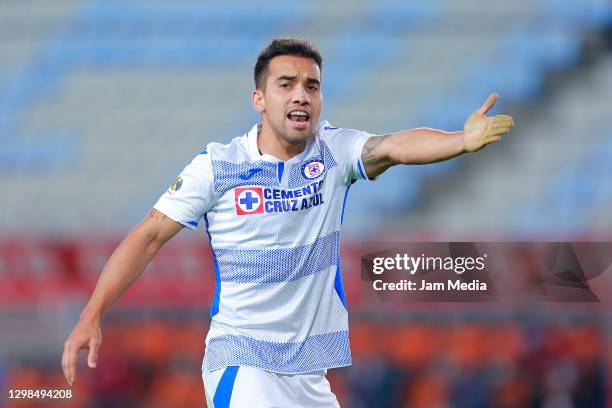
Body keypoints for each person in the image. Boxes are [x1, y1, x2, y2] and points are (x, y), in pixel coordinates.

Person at [62, 38, 514, 407]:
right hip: (242, 362)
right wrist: (92, 313)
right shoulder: (219, 166)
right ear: (259, 99)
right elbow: (147, 236)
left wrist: (460, 140)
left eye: (312, 86)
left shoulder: (334, 153)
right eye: (287, 84)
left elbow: (394, 146)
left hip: (309, 374)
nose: (302, 94)